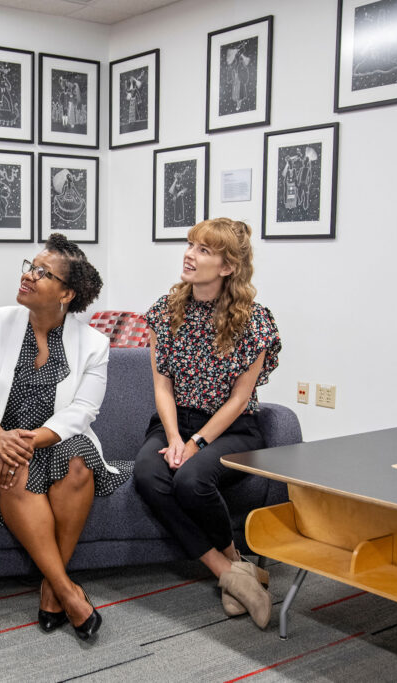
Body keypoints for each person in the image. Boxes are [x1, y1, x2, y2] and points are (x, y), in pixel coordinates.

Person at [0, 234, 128, 642]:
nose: (28, 276)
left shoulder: (94, 343)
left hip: (54, 439)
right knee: (13, 471)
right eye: (29, 266)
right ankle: (69, 592)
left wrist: (30, 440)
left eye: (42, 273)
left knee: (77, 465)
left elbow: (83, 411)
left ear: (66, 293)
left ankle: (52, 590)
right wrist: (0, 437)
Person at [133, 218, 281, 630]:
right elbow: (162, 388)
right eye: (190, 245)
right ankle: (231, 570)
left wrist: (195, 442)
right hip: (173, 421)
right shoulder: (165, 312)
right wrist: (176, 436)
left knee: (190, 479)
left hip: (232, 428)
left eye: (203, 250)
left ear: (227, 266)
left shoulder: (255, 322)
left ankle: (234, 569)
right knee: (147, 473)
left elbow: (239, 400)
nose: (189, 254)